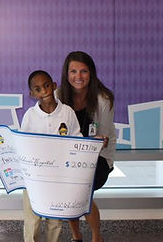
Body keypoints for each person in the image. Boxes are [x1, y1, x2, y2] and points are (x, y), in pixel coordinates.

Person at [57, 51, 116, 242]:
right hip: (68, 156)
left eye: (84, 71)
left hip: (98, 157)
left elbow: (103, 140)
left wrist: (84, 145)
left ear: (91, 74)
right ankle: (76, 236)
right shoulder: (58, 96)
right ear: (66, 74)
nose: (78, 77)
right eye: (73, 71)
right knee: (70, 191)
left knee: (80, 190)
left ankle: (96, 237)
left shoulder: (104, 99)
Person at [21, 70, 81, 242]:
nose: (44, 91)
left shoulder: (67, 112)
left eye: (47, 86)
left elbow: (77, 137)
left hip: (58, 177)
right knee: (32, 220)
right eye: (38, 89)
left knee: (55, 220)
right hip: (33, 178)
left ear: (54, 86)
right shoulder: (30, 116)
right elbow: (22, 143)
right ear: (32, 94)